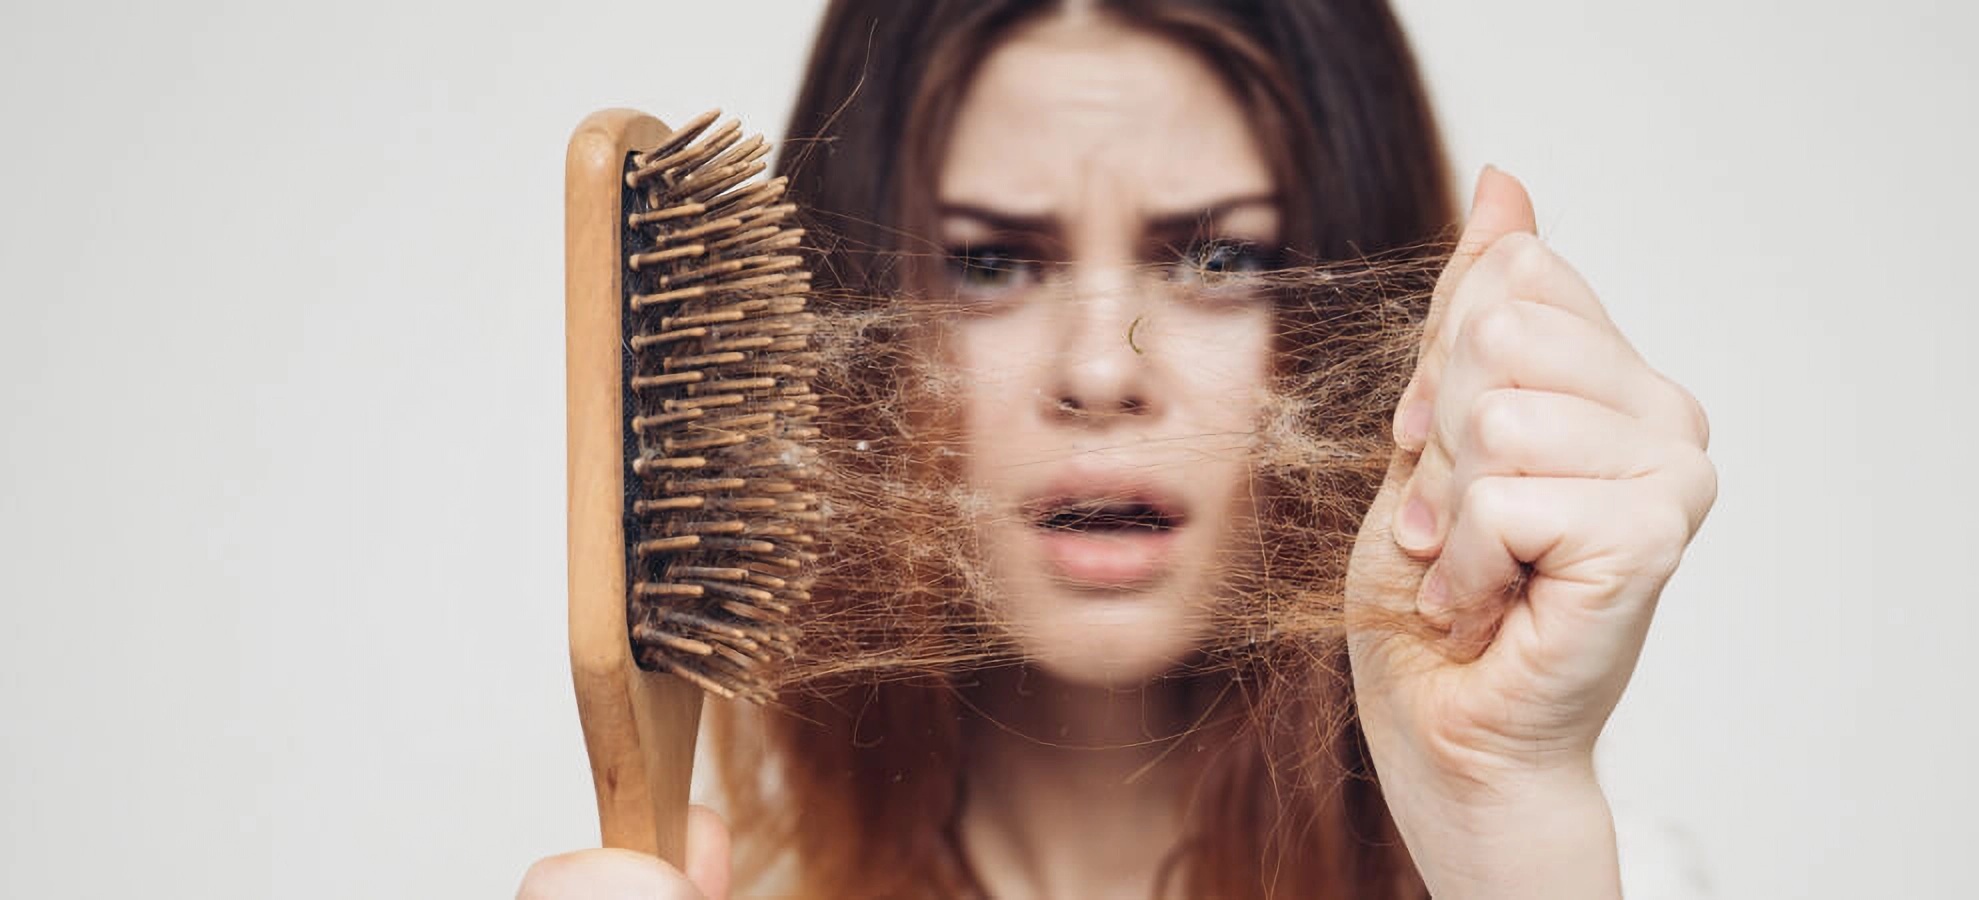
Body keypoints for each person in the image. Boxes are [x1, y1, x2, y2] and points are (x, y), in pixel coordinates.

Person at [522, 1, 1714, 897]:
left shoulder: (1571, 870)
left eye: (1220, 260)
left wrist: (1501, 817)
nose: (1100, 373)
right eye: (991, 263)